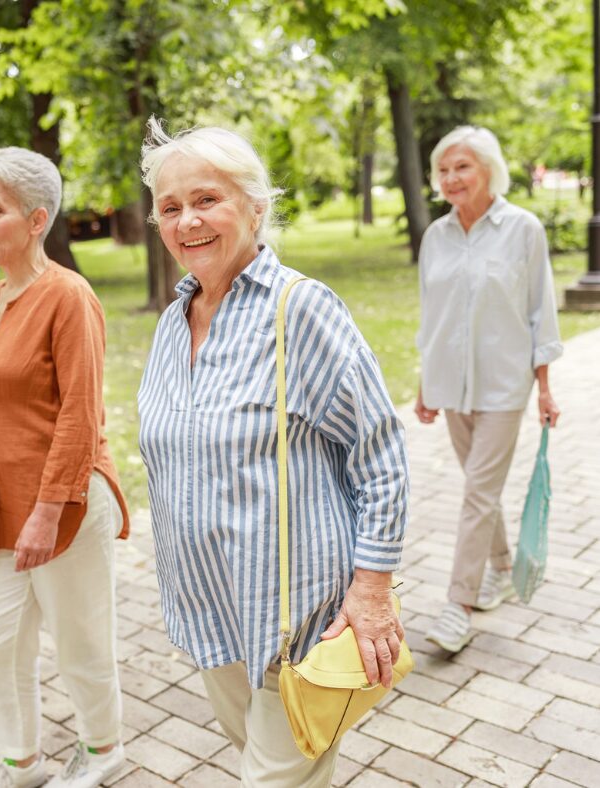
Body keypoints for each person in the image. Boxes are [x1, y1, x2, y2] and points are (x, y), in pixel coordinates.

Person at [136, 120, 409, 786]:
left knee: (271, 777)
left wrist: (371, 592)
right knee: (268, 764)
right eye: (170, 208)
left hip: (297, 620)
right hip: (211, 613)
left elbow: (381, 456)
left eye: (207, 199)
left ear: (256, 207)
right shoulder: (175, 321)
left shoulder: (300, 309)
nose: (187, 220)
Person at [0, 147, 130, 788]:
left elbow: (81, 417)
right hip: (1, 501)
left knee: (80, 639)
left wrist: (47, 510)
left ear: (36, 221)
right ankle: (20, 762)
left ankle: (105, 749)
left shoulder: (69, 297)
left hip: (66, 503)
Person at [417, 126, 562, 653]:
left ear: (488, 170)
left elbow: (539, 311)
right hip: (451, 385)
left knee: (477, 492)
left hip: (505, 385)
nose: (452, 178)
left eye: (463, 167)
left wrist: (545, 387)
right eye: (444, 169)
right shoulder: (436, 236)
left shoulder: (522, 229)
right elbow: (432, 314)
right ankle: (500, 568)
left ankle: (458, 605)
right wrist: (424, 381)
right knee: (482, 490)